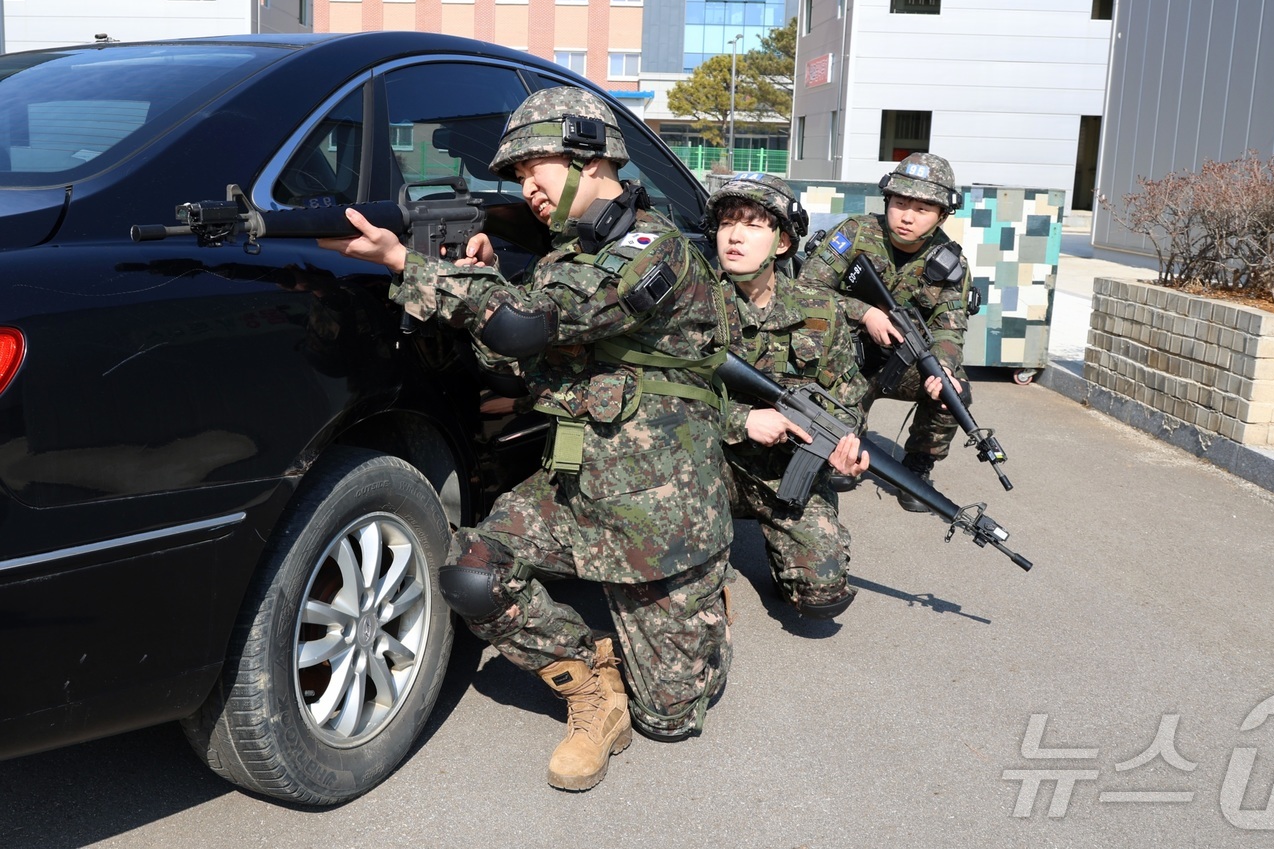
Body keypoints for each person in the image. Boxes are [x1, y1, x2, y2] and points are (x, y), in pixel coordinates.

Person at [318, 86, 734, 791]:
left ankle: (701, 589)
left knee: (672, 714)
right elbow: (516, 357)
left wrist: (406, 264)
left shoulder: (651, 249)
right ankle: (592, 687)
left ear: (589, 158)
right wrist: (479, 276)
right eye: (514, 175)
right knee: (472, 571)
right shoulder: (564, 258)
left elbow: (526, 324)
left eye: (533, 165)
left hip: (662, 516)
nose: (524, 186)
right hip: (579, 491)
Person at [708, 174, 871, 619]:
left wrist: (846, 446)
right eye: (726, 224)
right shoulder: (694, 304)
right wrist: (742, 422)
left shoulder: (822, 310)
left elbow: (848, 394)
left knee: (822, 593)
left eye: (753, 225)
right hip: (706, 465)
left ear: (782, 243)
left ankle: (786, 555)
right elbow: (663, 405)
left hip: (785, 473)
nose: (735, 236)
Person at [798, 152, 972, 513]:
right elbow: (805, 290)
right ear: (887, 200)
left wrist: (944, 369)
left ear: (942, 214)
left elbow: (949, 329)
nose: (907, 216)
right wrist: (866, 314)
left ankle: (918, 467)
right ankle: (841, 445)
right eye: (900, 203)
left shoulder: (951, 263)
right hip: (846, 359)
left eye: (923, 209)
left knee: (952, 391)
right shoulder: (854, 233)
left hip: (903, 363)